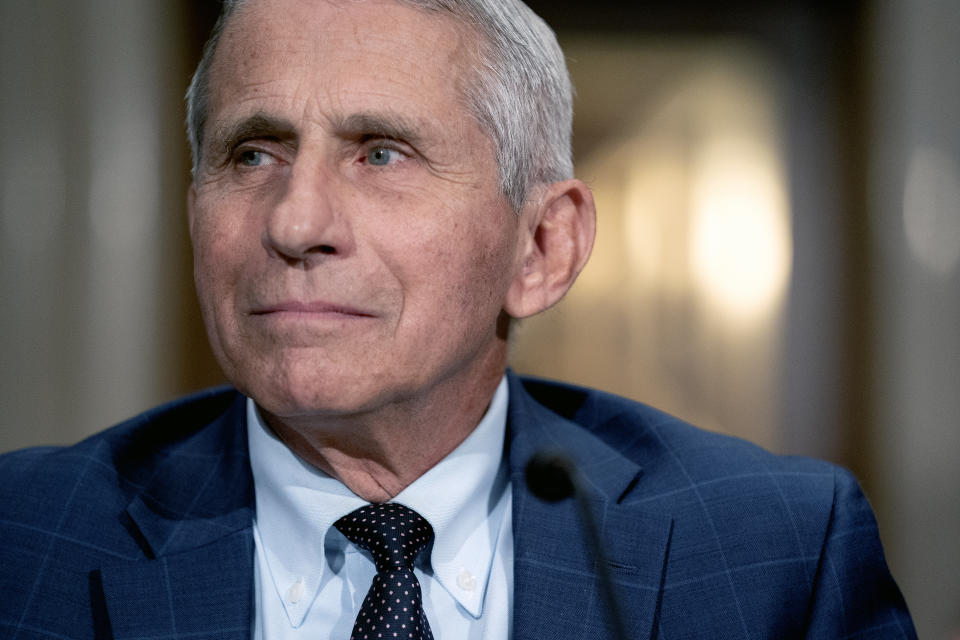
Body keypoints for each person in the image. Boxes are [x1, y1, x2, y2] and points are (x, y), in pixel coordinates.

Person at [0, 0, 916, 638]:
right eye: (252, 153)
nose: (295, 222)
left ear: (543, 247)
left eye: (382, 154)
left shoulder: (776, 557)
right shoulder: (23, 542)